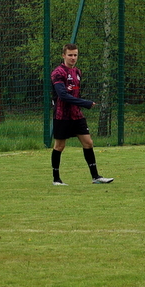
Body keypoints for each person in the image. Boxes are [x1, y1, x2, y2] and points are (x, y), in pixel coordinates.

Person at [50, 44, 113, 186]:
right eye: (70, 55)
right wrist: (85, 103)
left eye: (75, 55)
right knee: (59, 146)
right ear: (63, 56)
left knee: (88, 143)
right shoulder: (58, 73)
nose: (73, 58)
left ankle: (96, 177)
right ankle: (56, 179)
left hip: (76, 115)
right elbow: (63, 95)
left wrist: (80, 104)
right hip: (62, 115)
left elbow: (75, 93)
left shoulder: (78, 72)